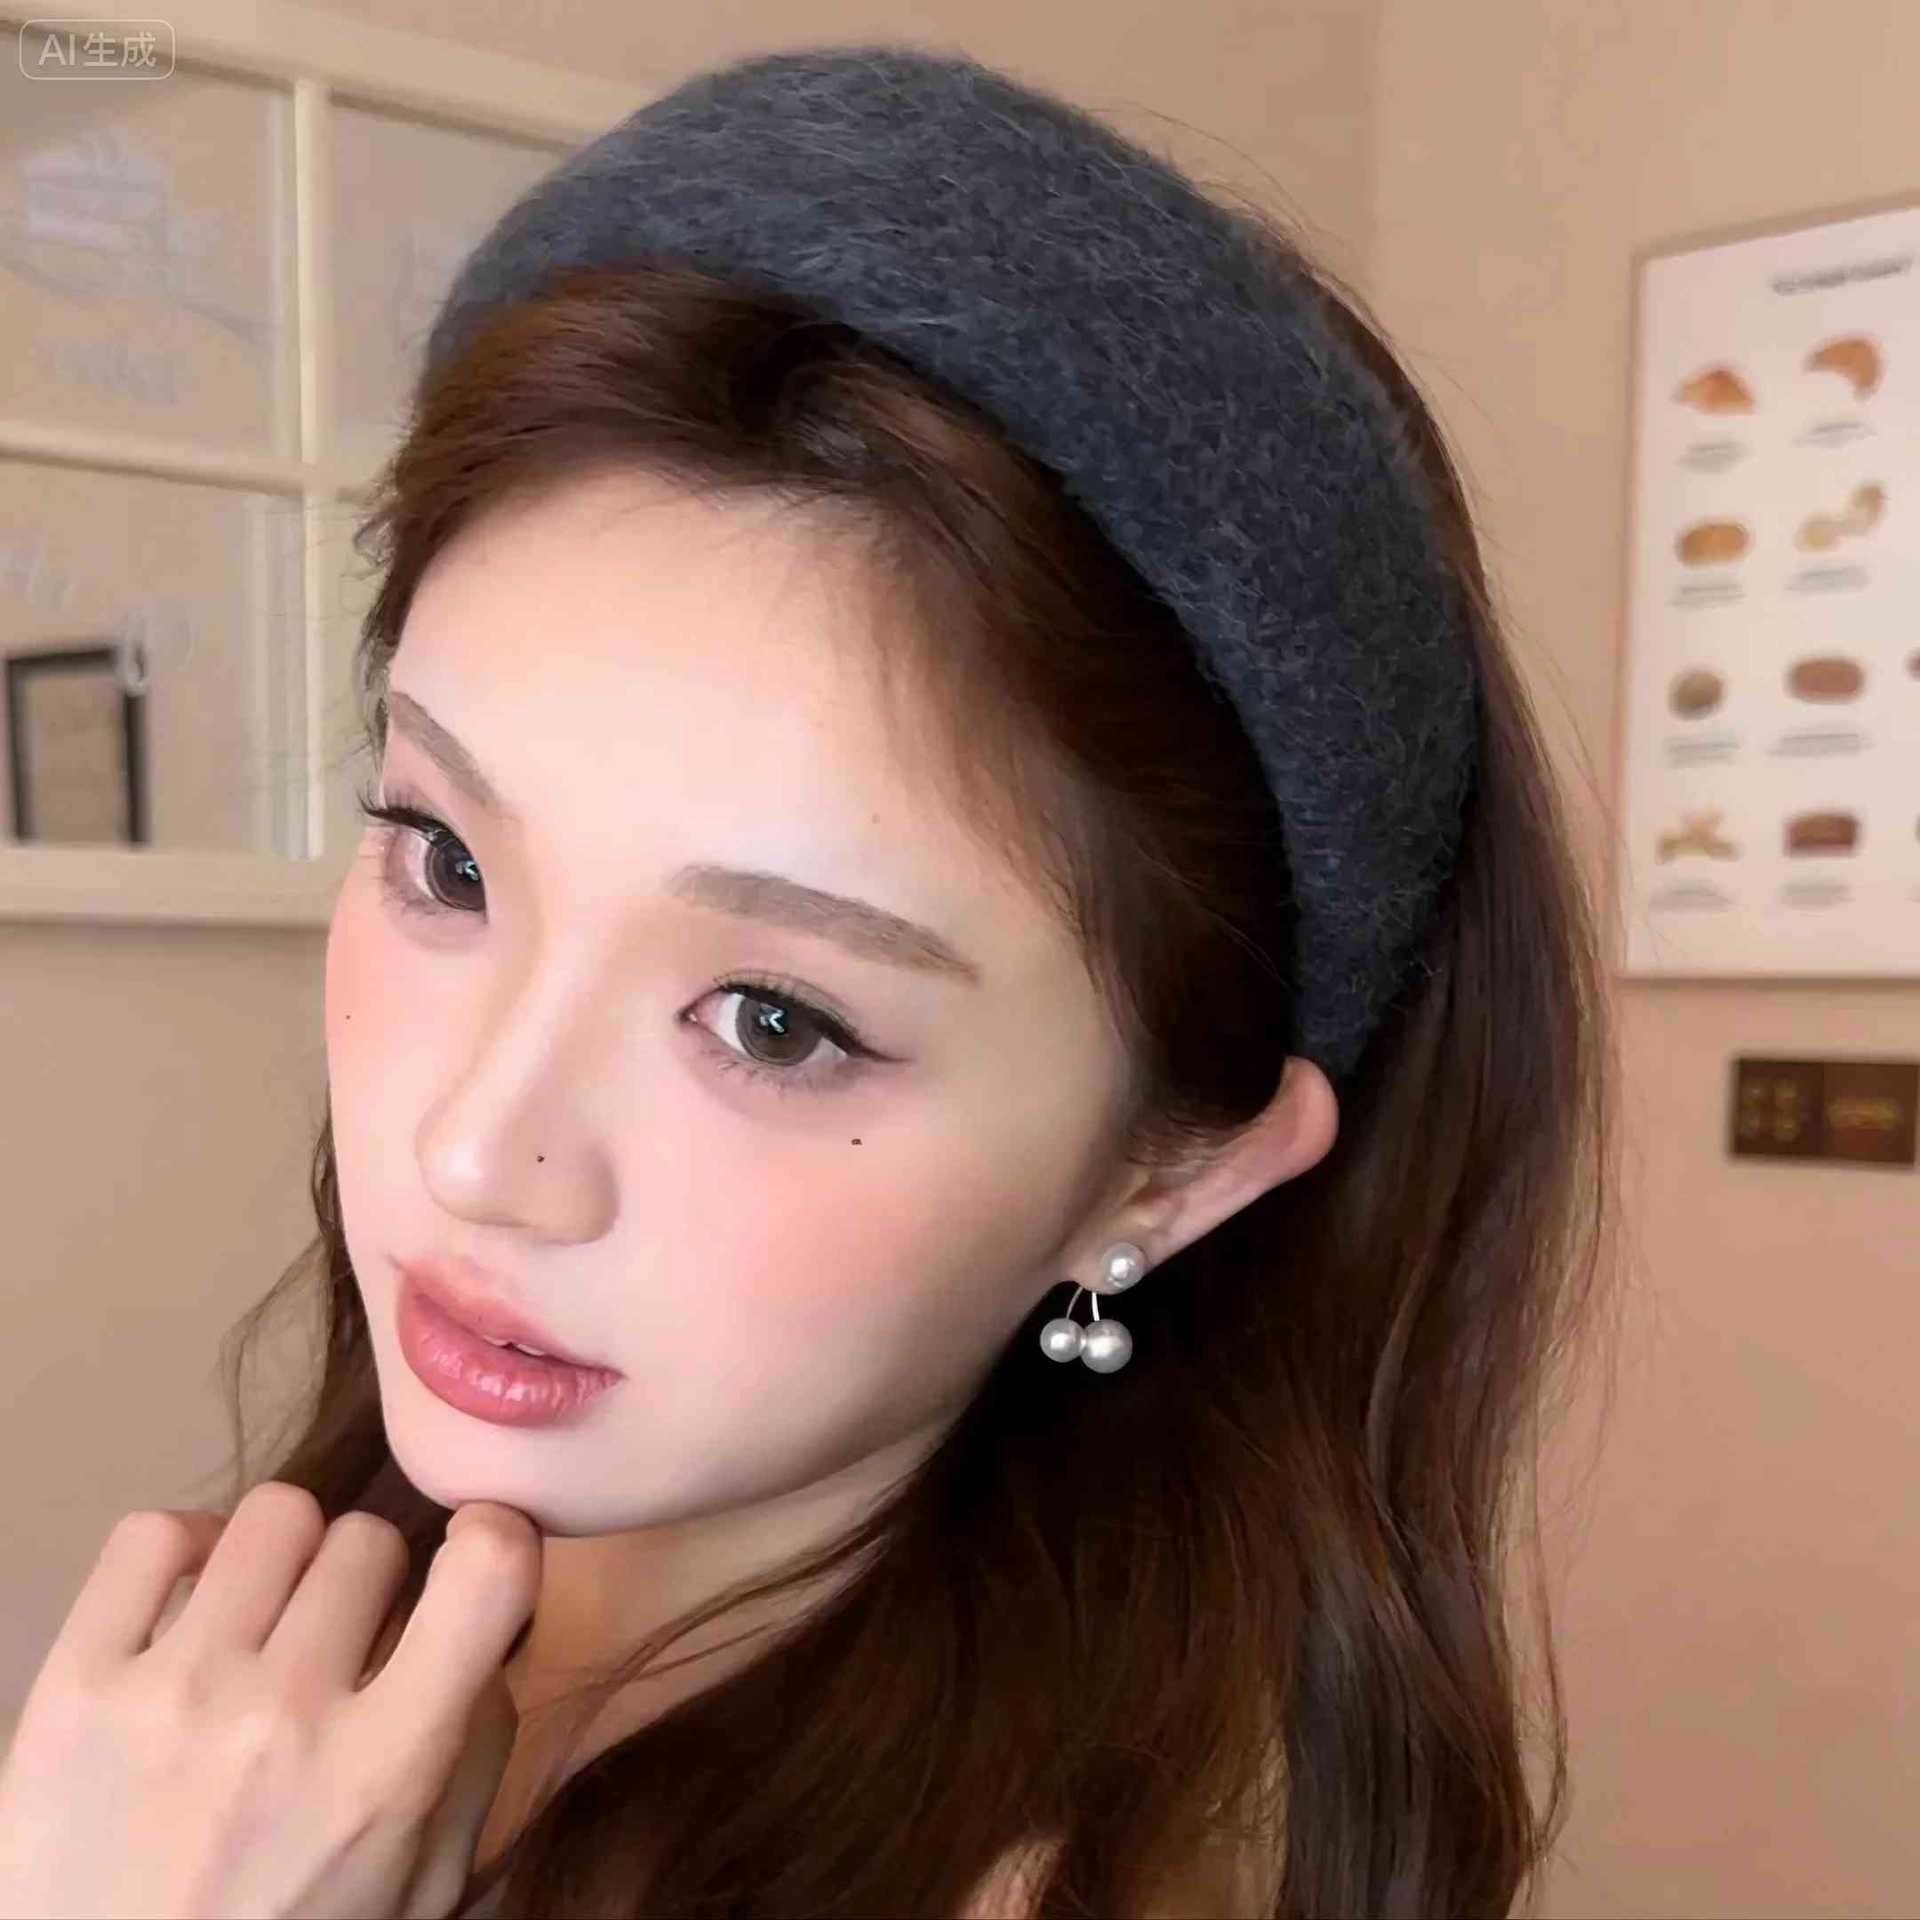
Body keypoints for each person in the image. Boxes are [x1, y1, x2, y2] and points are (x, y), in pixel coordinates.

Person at [0, 43, 1616, 1920]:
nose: (476, 1152)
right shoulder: (295, 1697)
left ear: (1170, 1174)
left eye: (776, 1022)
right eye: (447, 859)